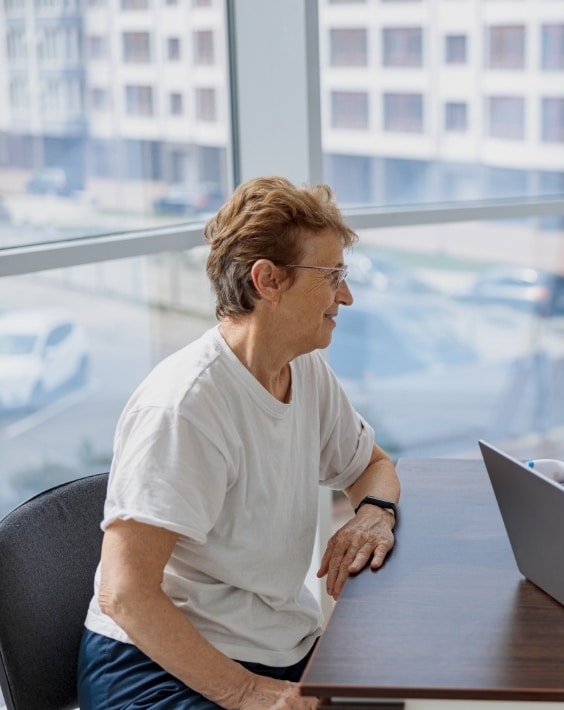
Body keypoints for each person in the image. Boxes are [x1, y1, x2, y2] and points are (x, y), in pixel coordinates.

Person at [77, 176, 401, 709]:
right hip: (155, 664)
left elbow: (372, 464)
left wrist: (374, 511)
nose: (346, 295)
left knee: (388, 689)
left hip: (271, 643)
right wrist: (249, 693)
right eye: (332, 276)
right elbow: (125, 593)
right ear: (269, 280)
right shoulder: (185, 406)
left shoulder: (306, 371)